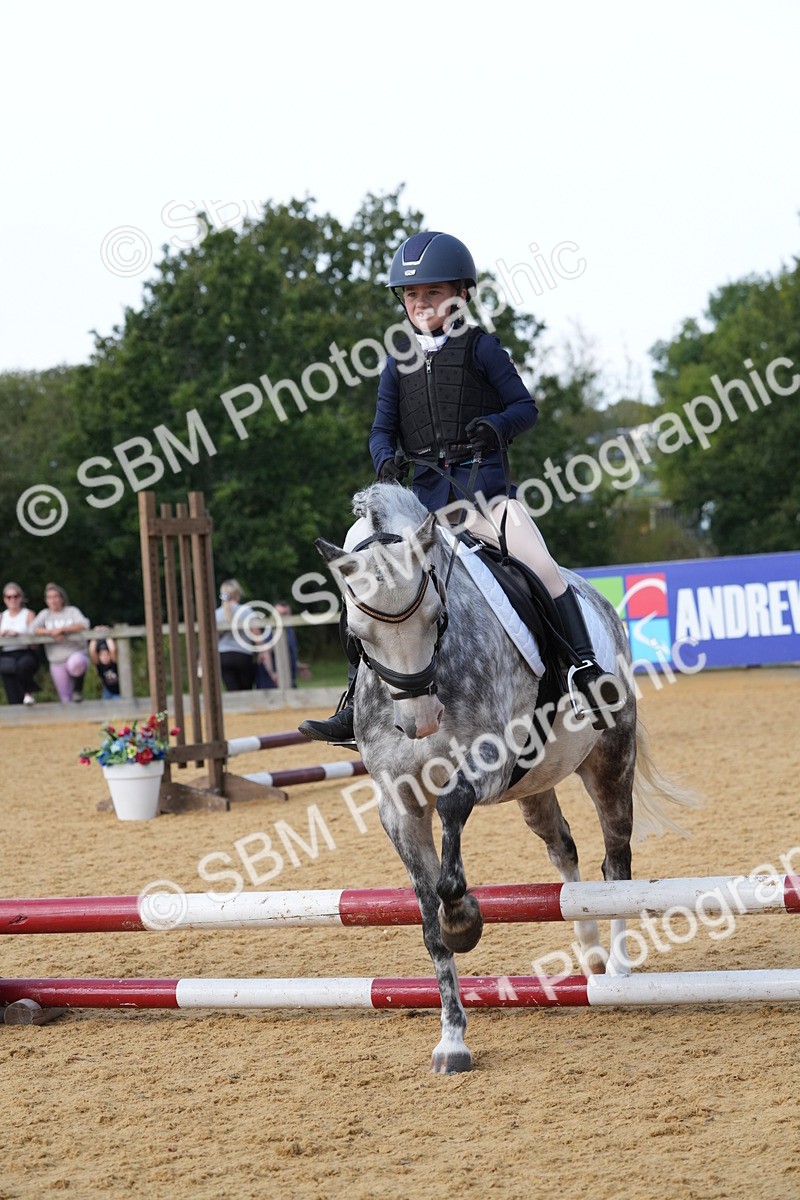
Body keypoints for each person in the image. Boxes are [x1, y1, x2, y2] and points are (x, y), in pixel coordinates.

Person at [300, 230, 618, 745]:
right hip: (420, 511)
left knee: (540, 565)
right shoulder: (395, 362)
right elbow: (381, 430)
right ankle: (352, 697)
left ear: (461, 294)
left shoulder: (483, 348)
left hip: (484, 498)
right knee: (360, 577)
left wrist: (496, 425)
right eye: (412, 295)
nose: (420, 303)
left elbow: (525, 408)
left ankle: (584, 670)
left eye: (431, 292)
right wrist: (386, 461)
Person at [32, 583, 90, 703]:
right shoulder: (45, 614)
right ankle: (73, 719)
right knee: (65, 698)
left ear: (62, 598)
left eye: (56, 596)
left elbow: (84, 624)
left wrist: (64, 629)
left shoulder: (72, 611)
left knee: (76, 663)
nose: (53, 600)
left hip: (75, 653)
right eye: (50, 597)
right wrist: (49, 632)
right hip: (56, 659)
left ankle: (78, 690)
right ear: (46, 600)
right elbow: (33, 629)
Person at [0, 583, 40, 705]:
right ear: (5, 599)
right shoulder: (2, 616)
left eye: (15, 596)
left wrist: (18, 635)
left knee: (23, 666)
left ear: (21, 597)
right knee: (7, 671)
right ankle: (15, 706)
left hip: (25, 651)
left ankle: (28, 693)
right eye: (9, 597)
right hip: (7, 653)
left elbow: (36, 638)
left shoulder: (28, 614)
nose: (12, 599)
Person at [216, 579, 257, 691]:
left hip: (223, 656)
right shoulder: (246, 611)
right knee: (246, 690)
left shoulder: (217, 613)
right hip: (243, 655)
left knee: (232, 691)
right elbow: (256, 635)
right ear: (237, 594)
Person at [89, 633, 120, 699]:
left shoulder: (113, 663)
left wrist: (107, 633)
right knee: (103, 706)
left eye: (107, 654)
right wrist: (95, 633)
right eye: (102, 655)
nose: (105, 657)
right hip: (108, 690)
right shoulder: (99, 665)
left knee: (119, 705)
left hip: (119, 692)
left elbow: (112, 649)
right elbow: (92, 651)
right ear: (98, 656)